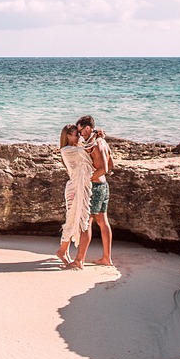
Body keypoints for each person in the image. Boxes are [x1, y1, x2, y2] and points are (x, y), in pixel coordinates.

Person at [77, 115, 114, 266]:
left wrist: (88, 179)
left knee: (86, 222)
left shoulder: (97, 145)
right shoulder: (103, 142)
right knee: (103, 222)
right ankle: (106, 258)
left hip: (96, 187)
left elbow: (104, 169)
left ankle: (79, 260)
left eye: (81, 131)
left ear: (87, 128)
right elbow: (111, 165)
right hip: (104, 186)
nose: (80, 134)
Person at [55, 124, 93, 269]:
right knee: (72, 218)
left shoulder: (78, 146)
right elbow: (88, 151)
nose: (78, 136)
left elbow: (88, 149)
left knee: (76, 218)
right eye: (75, 134)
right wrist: (95, 137)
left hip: (80, 187)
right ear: (68, 136)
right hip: (73, 189)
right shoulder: (67, 150)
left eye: (78, 133)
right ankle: (62, 251)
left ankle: (63, 250)